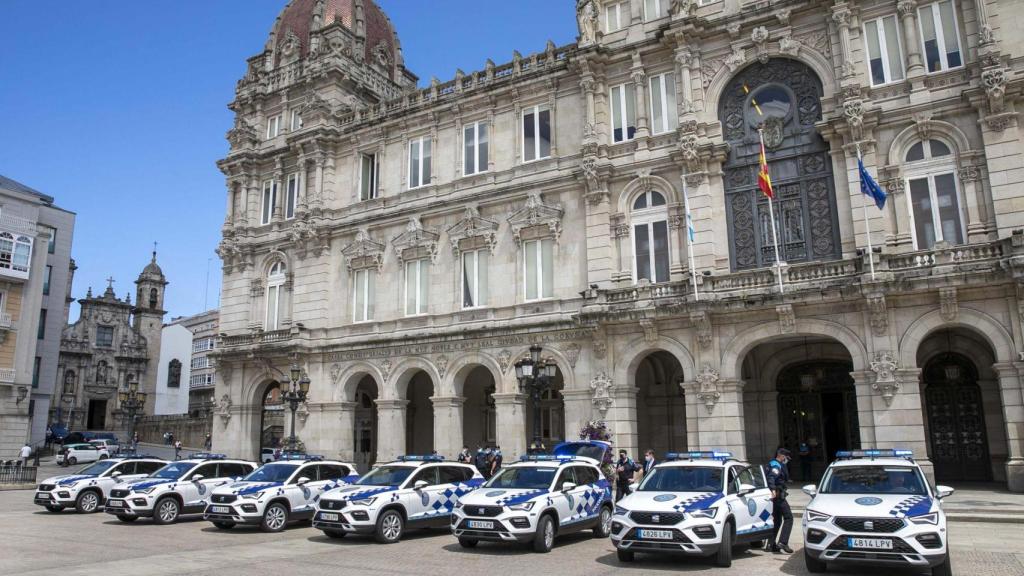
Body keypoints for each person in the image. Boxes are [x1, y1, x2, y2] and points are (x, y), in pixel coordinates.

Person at [767, 447, 794, 554]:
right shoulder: (776, 465)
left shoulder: (773, 463)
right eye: (786, 457)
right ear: (781, 456)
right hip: (778, 495)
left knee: (777, 520)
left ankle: (771, 544)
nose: (786, 460)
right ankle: (783, 542)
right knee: (789, 518)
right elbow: (771, 477)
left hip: (776, 495)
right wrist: (773, 489)